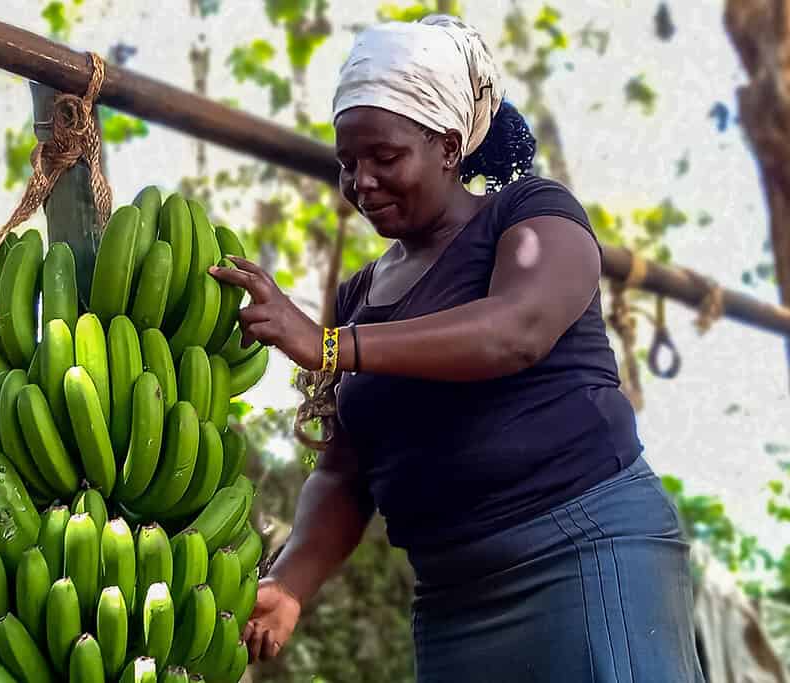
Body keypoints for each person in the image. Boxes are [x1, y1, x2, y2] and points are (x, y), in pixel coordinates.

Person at [208, 13, 706, 683]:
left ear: (448, 146)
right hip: (452, 600)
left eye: (384, 158)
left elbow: (516, 330)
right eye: (348, 163)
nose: (362, 183)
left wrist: (329, 344)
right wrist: (292, 582)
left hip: (585, 556)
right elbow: (344, 474)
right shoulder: (360, 296)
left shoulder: (531, 215)